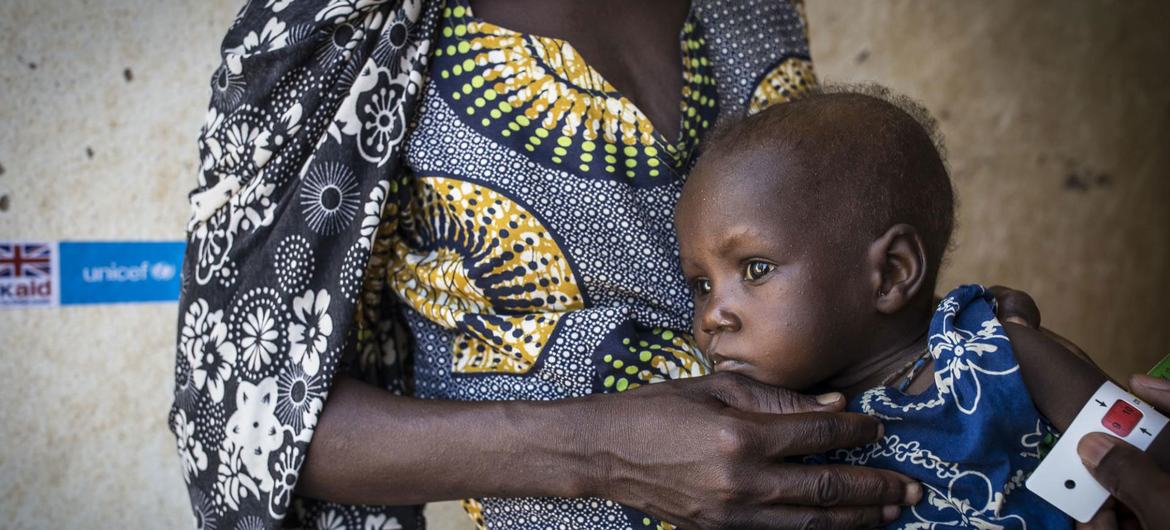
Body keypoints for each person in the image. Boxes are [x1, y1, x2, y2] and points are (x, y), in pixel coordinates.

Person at [170, 1, 1052, 529]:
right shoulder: (340, 32)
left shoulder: (752, 9)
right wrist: (597, 451)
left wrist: (948, 335)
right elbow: (244, 419)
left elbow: (826, 255)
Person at [673, 87, 1168, 528]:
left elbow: (1151, 452)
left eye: (755, 269)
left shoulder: (994, 353)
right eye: (700, 285)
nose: (713, 315)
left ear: (891, 272)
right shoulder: (760, 443)